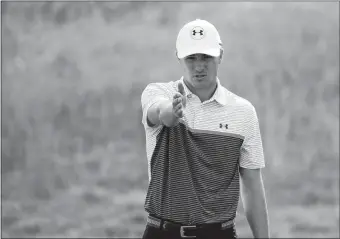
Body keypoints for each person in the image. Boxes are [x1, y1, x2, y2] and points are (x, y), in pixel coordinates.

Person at [140, 19, 269, 239]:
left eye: (206, 57)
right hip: (162, 232)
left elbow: (252, 184)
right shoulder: (159, 93)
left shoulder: (243, 112)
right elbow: (159, 113)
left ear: (220, 55)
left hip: (220, 233)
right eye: (191, 58)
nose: (199, 66)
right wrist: (172, 113)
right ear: (179, 57)